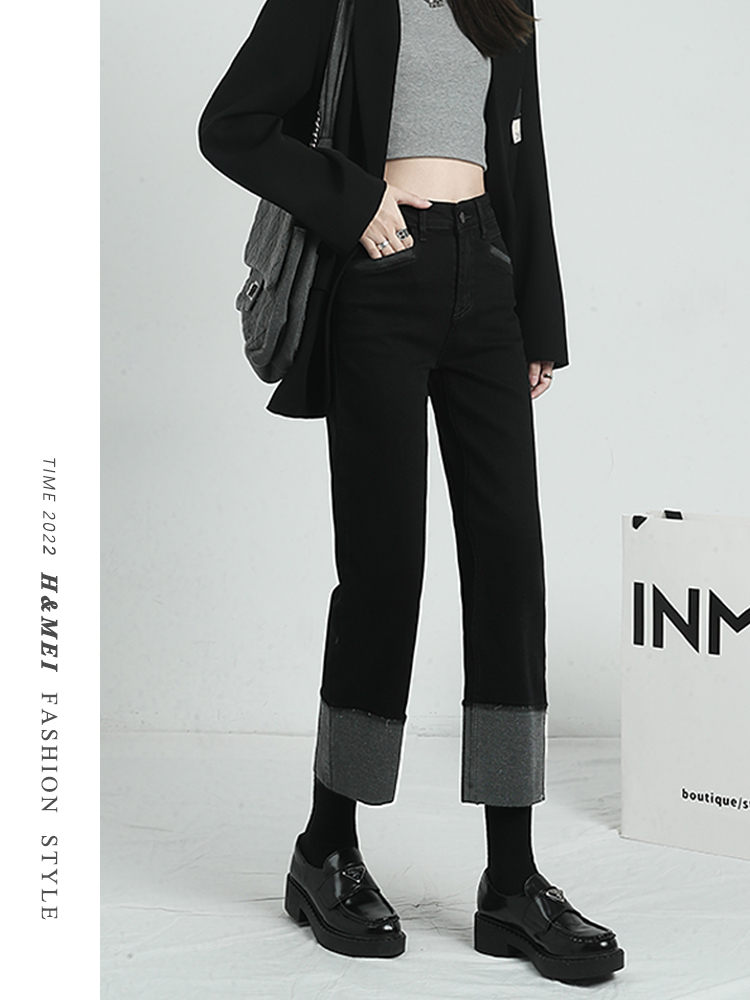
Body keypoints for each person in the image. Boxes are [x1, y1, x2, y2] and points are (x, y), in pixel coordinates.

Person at [199, 0, 624, 982]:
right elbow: (231, 125)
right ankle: (326, 848)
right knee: (385, 569)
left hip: (487, 280)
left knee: (510, 567)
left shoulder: (503, 3)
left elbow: (522, 154)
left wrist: (538, 320)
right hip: (378, 282)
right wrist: (351, 203)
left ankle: (511, 881)